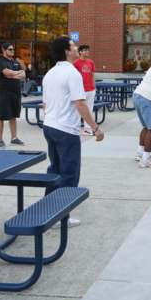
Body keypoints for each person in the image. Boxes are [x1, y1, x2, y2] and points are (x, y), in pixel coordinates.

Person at [42, 36, 104, 228]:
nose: (77, 48)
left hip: (49, 126)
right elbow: (80, 103)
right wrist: (95, 128)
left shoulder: (50, 73)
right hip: (66, 130)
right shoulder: (73, 73)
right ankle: (61, 216)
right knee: (69, 173)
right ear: (67, 51)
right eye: (73, 46)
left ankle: (48, 210)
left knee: (55, 170)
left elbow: (45, 104)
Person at [0, 42, 26, 147]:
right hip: (4, 93)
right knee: (1, 116)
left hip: (16, 92)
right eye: (10, 49)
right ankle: (0, 140)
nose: (12, 51)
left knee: (13, 116)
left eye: (13, 49)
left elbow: (23, 74)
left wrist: (13, 74)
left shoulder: (15, 62)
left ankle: (14, 138)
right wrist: (14, 74)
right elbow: (6, 73)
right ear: (4, 50)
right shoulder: (0, 62)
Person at [74, 45, 97, 136]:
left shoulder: (91, 62)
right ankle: (76, 127)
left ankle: (87, 129)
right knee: (78, 109)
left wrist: (94, 86)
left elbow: (93, 75)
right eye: (85, 50)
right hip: (81, 90)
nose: (87, 52)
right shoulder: (76, 63)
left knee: (89, 109)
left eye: (88, 50)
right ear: (80, 52)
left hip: (91, 89)